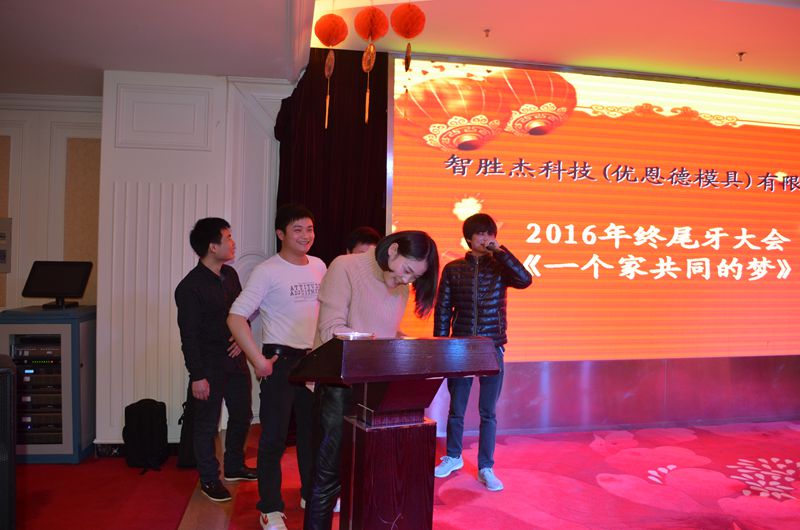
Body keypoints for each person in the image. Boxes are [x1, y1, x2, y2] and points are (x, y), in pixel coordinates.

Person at [303, 230, 439, 530]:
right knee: (328, 477)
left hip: (376, 391)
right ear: (392, 250)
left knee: (371, 476)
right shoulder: (345, 267)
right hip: (338, 389)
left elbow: (384, 331)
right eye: (407, 270)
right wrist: (376, 345)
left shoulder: (401, 288)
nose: (407, 280)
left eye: (415, 277)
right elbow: (331, 329)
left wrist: (412, 345)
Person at [228, 204, 327, 530]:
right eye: (297, 229)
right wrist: (257, 360)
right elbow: (236, 317)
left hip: (314, 363)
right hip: (280, 363)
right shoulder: (267, 270)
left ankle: (311, 493)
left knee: (312, 436)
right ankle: (269, 508)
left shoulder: (319, 265)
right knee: (273, 438)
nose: (306, 236)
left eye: (310, 229)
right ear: (280, 234)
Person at [433, 213, 532, 491]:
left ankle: (486, 467)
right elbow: (443, 309)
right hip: (461, 346)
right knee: (457, 408)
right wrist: (441, 345)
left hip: (491, 346)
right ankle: (453, 456)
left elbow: (525, 280)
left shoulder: (500, 266)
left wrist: (501, 252)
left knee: (488, 411)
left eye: (490, 233)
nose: (486, 238)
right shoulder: (453, 269)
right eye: (480, 233)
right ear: (469, 238)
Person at [174, 217, 257, 503]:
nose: (233, 242)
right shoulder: (189, 287)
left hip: (235, 360)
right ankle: (209, 479)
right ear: (212, 246)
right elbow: (189, 336)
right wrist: (197, 375)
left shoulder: (230, 275)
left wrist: (240, 336)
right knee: (207, 424)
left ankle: (234, 467)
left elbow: (242, 311)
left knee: (242, 414)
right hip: (208, 365)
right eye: (228, 237)